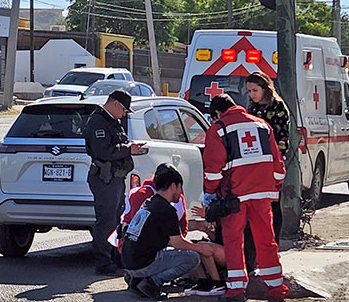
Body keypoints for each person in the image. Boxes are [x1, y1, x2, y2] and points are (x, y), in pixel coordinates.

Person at [203, 94, 289, 302]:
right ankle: (276, 288)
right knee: (266, 240)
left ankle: (236, 290)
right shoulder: (262, 125)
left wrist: (210, 192)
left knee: (234, 241)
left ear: (217, 113)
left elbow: (213, 170)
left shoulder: (219, 129)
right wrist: (273, 185)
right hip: (263, 193)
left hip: (235, 195)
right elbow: (278, 165)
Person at [117, 164, 225, 297]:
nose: (180, 193)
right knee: (192, 258)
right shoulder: (166, 210)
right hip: (141, 262)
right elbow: (178, 243)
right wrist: (200, 249)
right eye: (180, 187)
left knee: (186, 250)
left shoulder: (150, 202)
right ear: (173, 186)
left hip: (128, 260)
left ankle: (137, 281)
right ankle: (151, 282)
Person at [85, 89, 145, 276]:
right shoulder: (98, 122)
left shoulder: (112, 121)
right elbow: (104, 151)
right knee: (106, 220)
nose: (125, 113)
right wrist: (129, 149)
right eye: (124, 109)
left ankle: (113, 257)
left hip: (115, 177)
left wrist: (130, 148)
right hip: (105, 178)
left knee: (115, 219)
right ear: (115, 103)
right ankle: (103, 262)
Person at [245, 71, 290, 265]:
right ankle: (253, 253)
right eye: (249, 91)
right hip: (253, 164)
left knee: (272, 205)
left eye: (255, 90)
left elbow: (282, 139)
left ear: (265, 88)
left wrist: (274, 163)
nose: (252, 94)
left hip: (272, 164)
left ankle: (274, 246)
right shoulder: (252, 108)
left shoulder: (278, 107)